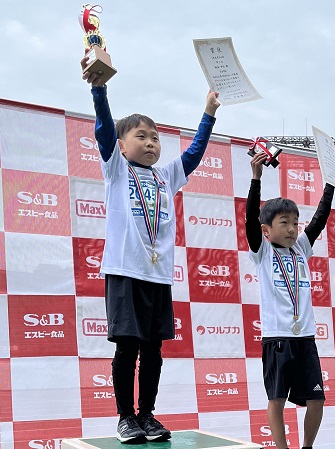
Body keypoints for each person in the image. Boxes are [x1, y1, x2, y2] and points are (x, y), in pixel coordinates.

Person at [81, 58, 220, 443]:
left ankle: (147, 416)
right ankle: (125, 416)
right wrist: (99, 89)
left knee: (154, 350)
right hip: (126, 272)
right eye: (141, 137)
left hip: (158, 276)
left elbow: (192, 154)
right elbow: (104, 129)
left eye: (155, 137)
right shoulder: (116, 169)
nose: (151, 143)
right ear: (122, 146)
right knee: (127, 348)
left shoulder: (165, 176)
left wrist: (208, 113)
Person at [246, 151, 335, 449]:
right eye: (285, 222)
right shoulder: (263, 251)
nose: (292, 229)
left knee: (317, 400)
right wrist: (255, 179)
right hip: (277, 339)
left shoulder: (301, 249)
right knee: (277, 401)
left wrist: (331, 184)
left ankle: (307, 446)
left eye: (295, 223)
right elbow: (249, 219)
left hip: (305, 340)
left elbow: (320, 218)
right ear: (267, 230)